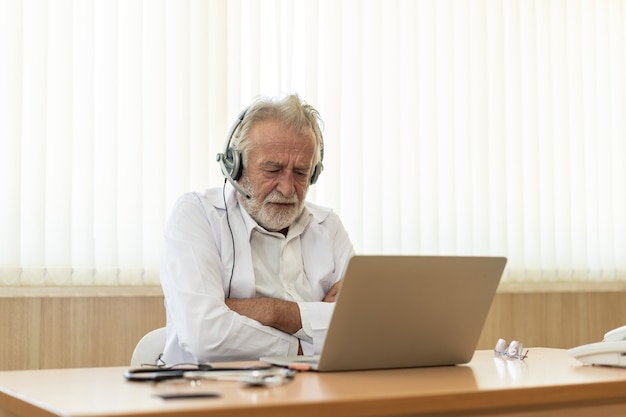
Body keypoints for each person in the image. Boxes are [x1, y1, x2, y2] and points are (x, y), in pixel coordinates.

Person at [160, 94, 355, 364]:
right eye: (272, 170)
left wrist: (273, 312)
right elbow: (206, 336)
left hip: (312, 393)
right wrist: (307, 344)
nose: (288, 189)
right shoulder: (196, 216)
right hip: (211, 393)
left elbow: (357, 327)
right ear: (235, 166)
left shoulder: (328, 226)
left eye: (300, 173)